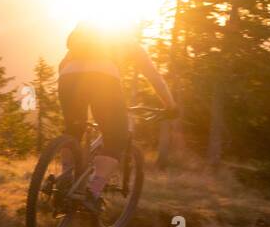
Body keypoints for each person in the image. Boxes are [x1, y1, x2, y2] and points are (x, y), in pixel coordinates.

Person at [57, 20, 179, 210]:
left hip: (67, 78)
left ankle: (64, 179)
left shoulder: (81, 42)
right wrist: (171, 105)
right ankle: (93, 192)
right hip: (104, 79)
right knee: (116, 137)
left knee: (74, 129)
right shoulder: (129, 42)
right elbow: (154, 77)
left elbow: (64, 67)